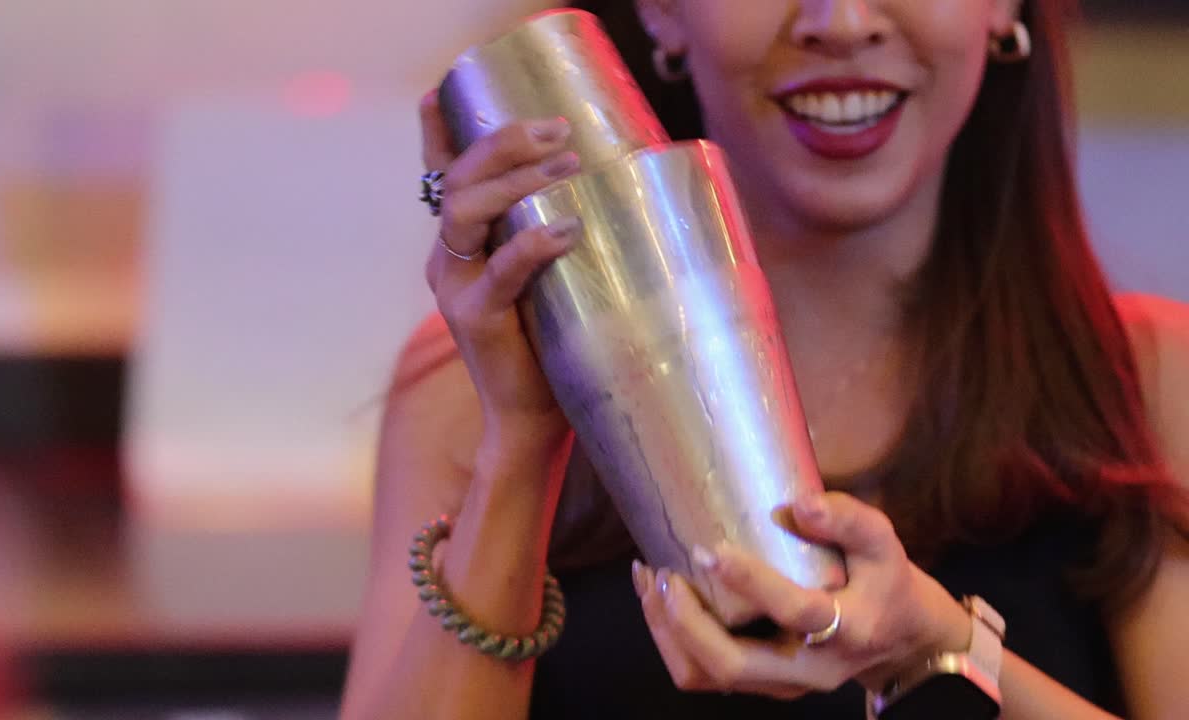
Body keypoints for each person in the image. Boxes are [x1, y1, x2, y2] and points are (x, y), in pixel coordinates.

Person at [339, 1, 1189, 718]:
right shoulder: (466, 395)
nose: (843, 20)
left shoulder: (1147, 379)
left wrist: (940, 650)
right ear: (665, 13)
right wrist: (523, 438)